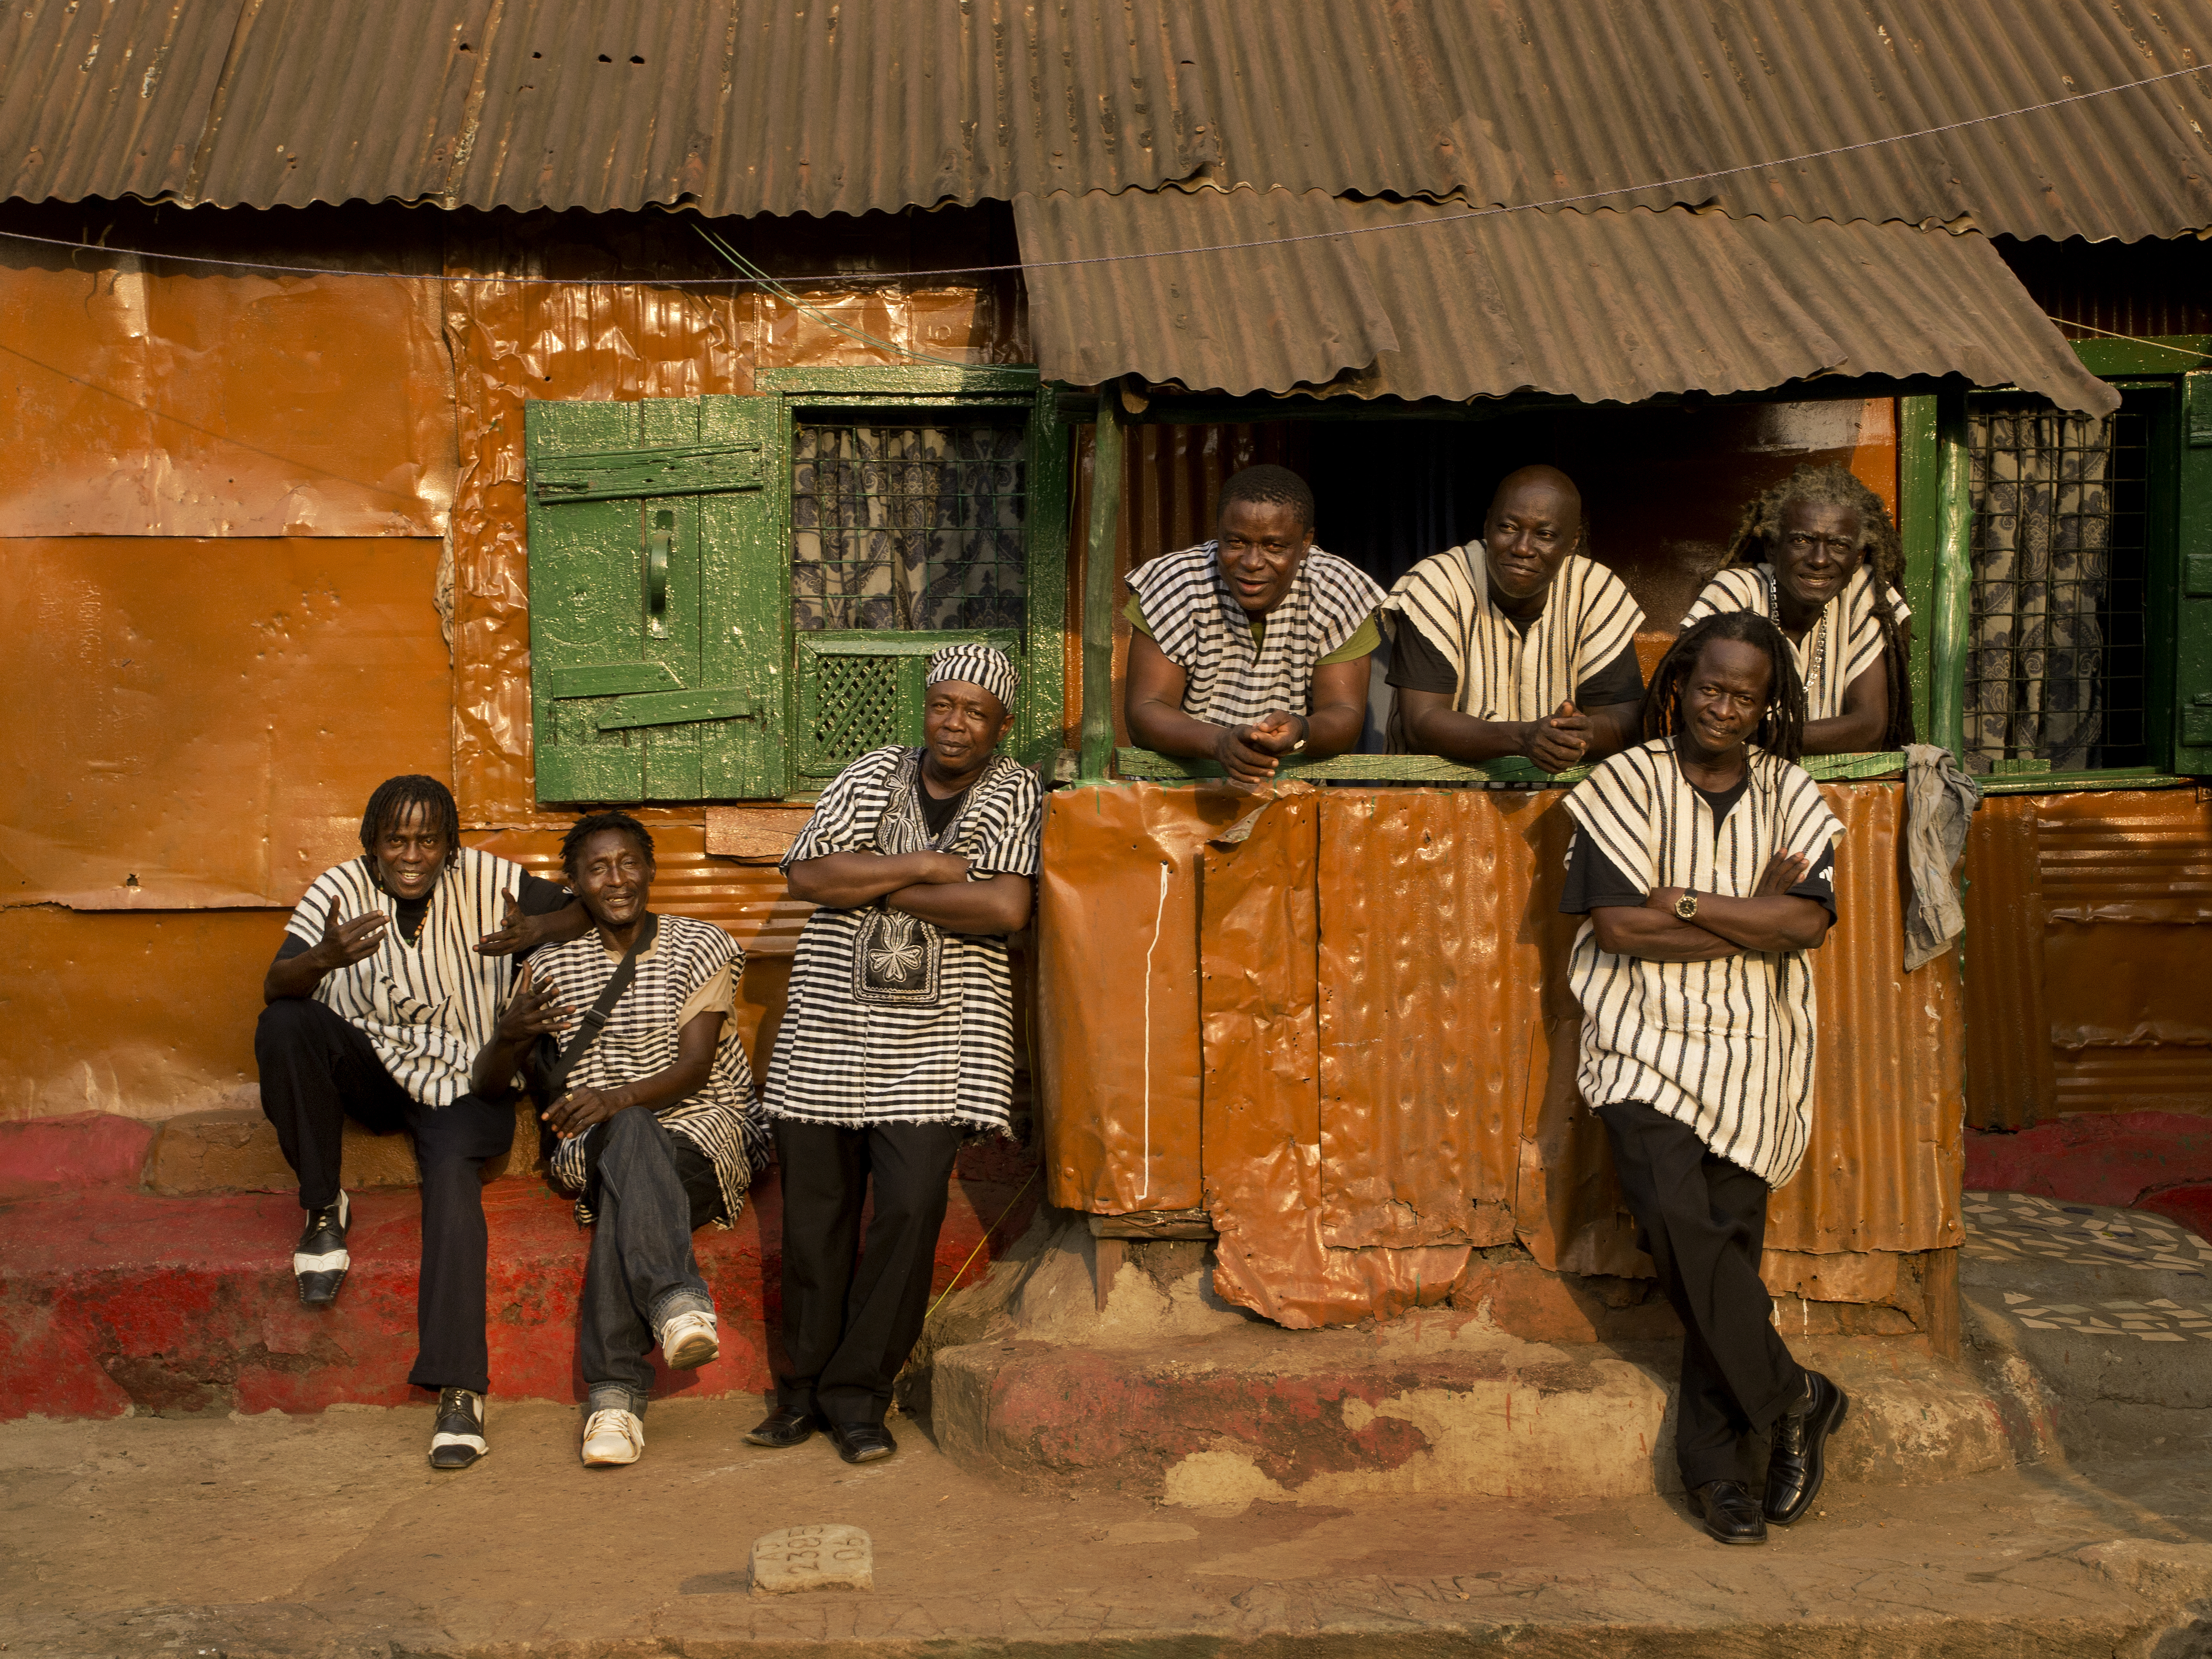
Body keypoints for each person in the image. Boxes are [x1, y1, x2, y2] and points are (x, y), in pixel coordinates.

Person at [1558, 611, 1851, 1546]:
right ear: (1679, 686)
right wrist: (1749, 914)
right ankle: (1794, 1395)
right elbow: (1615, 929)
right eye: (1712, 687)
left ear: (1769, 708)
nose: (1725, 707)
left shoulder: (1791, 793)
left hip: (1755, 1052)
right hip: (1641, 1041)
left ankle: (1722, 1474)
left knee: (1717, 1259)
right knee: (1681, 1227)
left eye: (1747, 696)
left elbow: (1805, 927)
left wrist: (1685, 899)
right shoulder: (1623, 784)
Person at [750, 644, 1042, 1465]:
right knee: (816, 1222)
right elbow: (810, 875)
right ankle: (803, 1391)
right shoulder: (873, 771)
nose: (955, 723)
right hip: (829, 1032)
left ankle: (859, 1396)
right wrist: (919, 866)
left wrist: (873, 879)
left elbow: (1003, 904)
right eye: (943, 705)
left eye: (975, 713)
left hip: (942, 1043)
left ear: (1001, 726)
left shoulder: (1017, 790)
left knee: (909, 1214)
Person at [256, 774, 588, 1470]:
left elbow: (585, 911)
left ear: (449, 845)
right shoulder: (337, 890)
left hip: (470, 1079)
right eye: (396, 839)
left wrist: (537, 929)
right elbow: (275, 985)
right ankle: (323, 1207)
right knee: (285, 1024)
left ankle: (460, 1389)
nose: (412, 854)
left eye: (428, 840)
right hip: (373, 1070)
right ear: (373, 843)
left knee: (451, 1186)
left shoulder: (491, 879)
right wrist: (324, 959)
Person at [471, 810, 770, 1469]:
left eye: (629, 863)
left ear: (652, 870)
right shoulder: (546, 968)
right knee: (628, 1139)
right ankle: (677, 1304)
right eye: (599, 868)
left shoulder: (701, 945)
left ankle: (613, 1398)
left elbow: (695, 1068)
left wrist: (617, 1099)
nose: (617, 879)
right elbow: (490, 1084)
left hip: (704, 1129)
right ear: (575, 884)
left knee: (624, 1191)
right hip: (593, 1141)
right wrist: (511, 1036)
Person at [1123, 464, 1386, 787]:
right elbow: (1146, 710)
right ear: (1217, 532)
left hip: (1292, 797)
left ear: (1306, 542)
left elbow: (1344, 712)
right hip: (1172, 798)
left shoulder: (1340, 591)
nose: (1251, 562)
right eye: (1235, 542)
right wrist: (1220, 743)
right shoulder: (1173, 584)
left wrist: (1301, 732)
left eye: (1274, 547)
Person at [1382, 464, 1646, 770]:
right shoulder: (1437, 583)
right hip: (1434, 802)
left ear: (1573, 542)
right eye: (1507, 528)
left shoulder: (1597, 591)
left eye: (1545, 535)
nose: (1522, 548)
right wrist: (1524, 737)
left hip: (1557, 800)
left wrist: (1581, 735)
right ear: (1486, 525)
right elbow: (1421, 724)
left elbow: (1623, 722)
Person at [1680, 464, 1914, 754]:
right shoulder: (1736, 593)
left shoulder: (1863, 593)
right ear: (1773, 548)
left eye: (1839, 545)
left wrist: (1756, 734)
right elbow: (1708, 720)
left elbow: (1870, 729)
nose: (1819, 560)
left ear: (1857, 559)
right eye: (1802, 541)